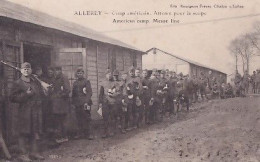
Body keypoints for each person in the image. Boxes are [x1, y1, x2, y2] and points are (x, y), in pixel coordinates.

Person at [10, 62, 44, 161]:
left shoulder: (34, 82)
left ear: (31, 70)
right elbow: (12, 98)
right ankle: (23, 154)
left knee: (34, 132)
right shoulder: (17, 83)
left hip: (34, 111)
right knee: (23, 133)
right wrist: (26, 94)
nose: (26, 70)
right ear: (21, 70)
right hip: (23, 112)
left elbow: (39, 94)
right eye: (24, 69)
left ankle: (34, 153)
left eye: (28, 69)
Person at [72, 68, 93, 140]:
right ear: (76, 74)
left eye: (81, 73)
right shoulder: (75, 83)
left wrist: (86, 102)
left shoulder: (86, 81)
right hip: (78, 103)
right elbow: (73, 94)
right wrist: (73, 103)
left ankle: (90, 134)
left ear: (83, 74)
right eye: (78, 73)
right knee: (79, 118)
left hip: (85, 103)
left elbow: (89, 93)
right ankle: (80, 133)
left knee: (87, 118)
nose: (79, 74)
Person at [52, 66, 70, 143]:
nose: (56, 72)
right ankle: (59, 137)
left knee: (63, 120)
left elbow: (67, 90)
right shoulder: (55, 78)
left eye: (57, 70)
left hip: (62, 102)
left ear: (60, 70)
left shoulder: (64, 78)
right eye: (55, 70)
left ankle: (64, 136)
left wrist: (59, 95)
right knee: (57, 120)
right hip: (56, 103)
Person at [99, 69, 118, 138]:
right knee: (105, 118)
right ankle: (105, 132)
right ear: (106, 75)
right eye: (108, 74)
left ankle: (112, 131)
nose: (109, 75)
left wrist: (114, 94)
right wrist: (100, 102)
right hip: (105, 102)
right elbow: (101, 93)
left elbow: (118, 92)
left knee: (112, 117)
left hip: (113, 102)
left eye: (110, 74)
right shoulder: (103, 83)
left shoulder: (115, 83)